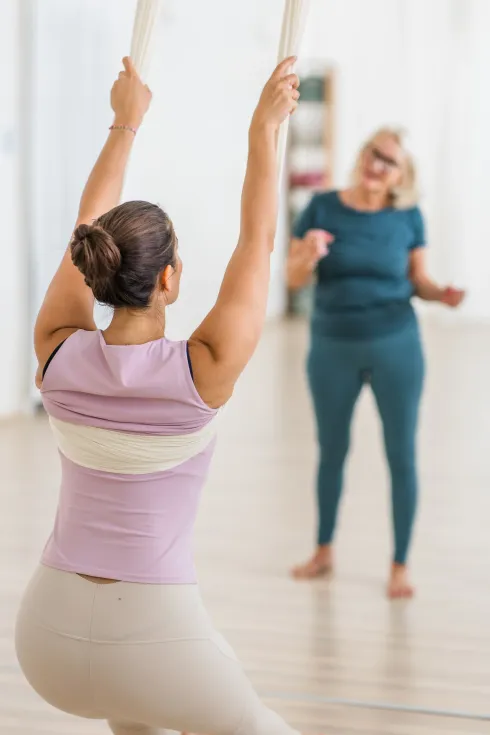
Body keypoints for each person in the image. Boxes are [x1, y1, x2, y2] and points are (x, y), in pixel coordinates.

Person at [15, 56, 302, 735]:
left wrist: (124, 123)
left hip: (45, 640)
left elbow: (87, 222)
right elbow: (257, 243)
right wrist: (264, 131)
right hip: (152, 631)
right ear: (171, 278)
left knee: (136, 714)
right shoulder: (202, 370)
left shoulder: (57, 350)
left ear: (93, 268)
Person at [288, 129, 465, 599]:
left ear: (401, 177)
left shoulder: (408, 217)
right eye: (376, 154)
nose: (379, 165)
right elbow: (292, 277)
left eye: (391, 162)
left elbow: (418, 280)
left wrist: (441, 295)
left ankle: (400, 564)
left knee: (401, 454)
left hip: (396, 347)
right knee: (331, 451)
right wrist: (307, 255)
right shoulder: (321, 207)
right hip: (332, 346)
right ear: (362, 154)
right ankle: (323, 552)